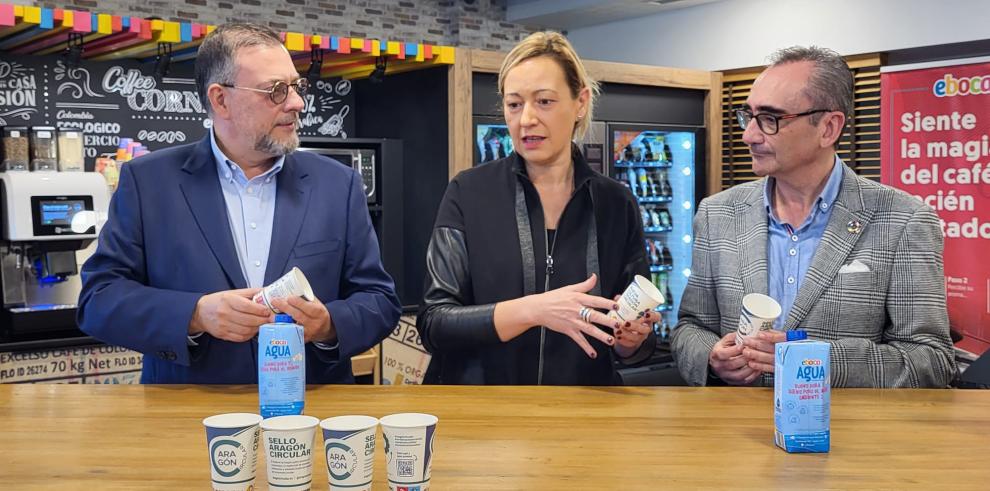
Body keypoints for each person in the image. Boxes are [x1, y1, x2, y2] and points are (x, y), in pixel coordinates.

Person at [78, 23, 401, 384]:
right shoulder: (148, 182)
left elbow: (379, 301)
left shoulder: (337, 184)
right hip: (188, 417)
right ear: (221, 100)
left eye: (297, 86)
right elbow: (99, 300)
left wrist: (327, 325)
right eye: (276, 91)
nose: (296, 103)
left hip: (311, 416)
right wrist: (195, 314)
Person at [671, 46, 956, 388]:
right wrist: (711, 358)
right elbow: (691, 327)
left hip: (843, 436)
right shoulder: (717, 213)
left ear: (828, 128)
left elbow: (932, 360)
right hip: (733, 433)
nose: (748, 135)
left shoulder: (904, 221)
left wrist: (814, 360)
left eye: (770, 119)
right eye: (748, 116)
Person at [417, 31, 658, 385]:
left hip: (582, 415)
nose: (526, 119)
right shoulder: (468, 192)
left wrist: (630, 338)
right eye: (514, 104)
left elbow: (636, 341)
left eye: (544, 101)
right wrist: (533, 310)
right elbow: (434, 323)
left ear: (580, 102)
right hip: (484, 417)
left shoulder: (616, 203)